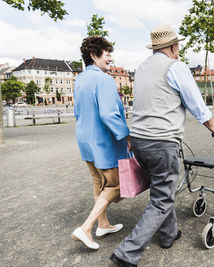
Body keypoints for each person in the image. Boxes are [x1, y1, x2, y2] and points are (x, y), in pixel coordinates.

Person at [110, 24, 214, 267]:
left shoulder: (141, 69)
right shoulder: (176, 67)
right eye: (178, 46)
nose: (179, 50)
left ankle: (168, 234)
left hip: (139, 141)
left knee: (162, 191)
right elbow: (195, 103)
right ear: (173, 46)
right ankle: (126, 253)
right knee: (162, 199)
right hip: (161, 142)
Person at [71, 36, 130, 250]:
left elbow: (78, 112)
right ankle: (86, 228)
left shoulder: (80, 79)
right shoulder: (104, 79)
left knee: (98, 184)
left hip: (85, 140)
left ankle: (103, 224)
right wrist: (126, 135)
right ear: (94, 56)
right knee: (116, 186)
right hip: (103, 141)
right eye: (107, 54)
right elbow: (108, 115)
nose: (110, 58)